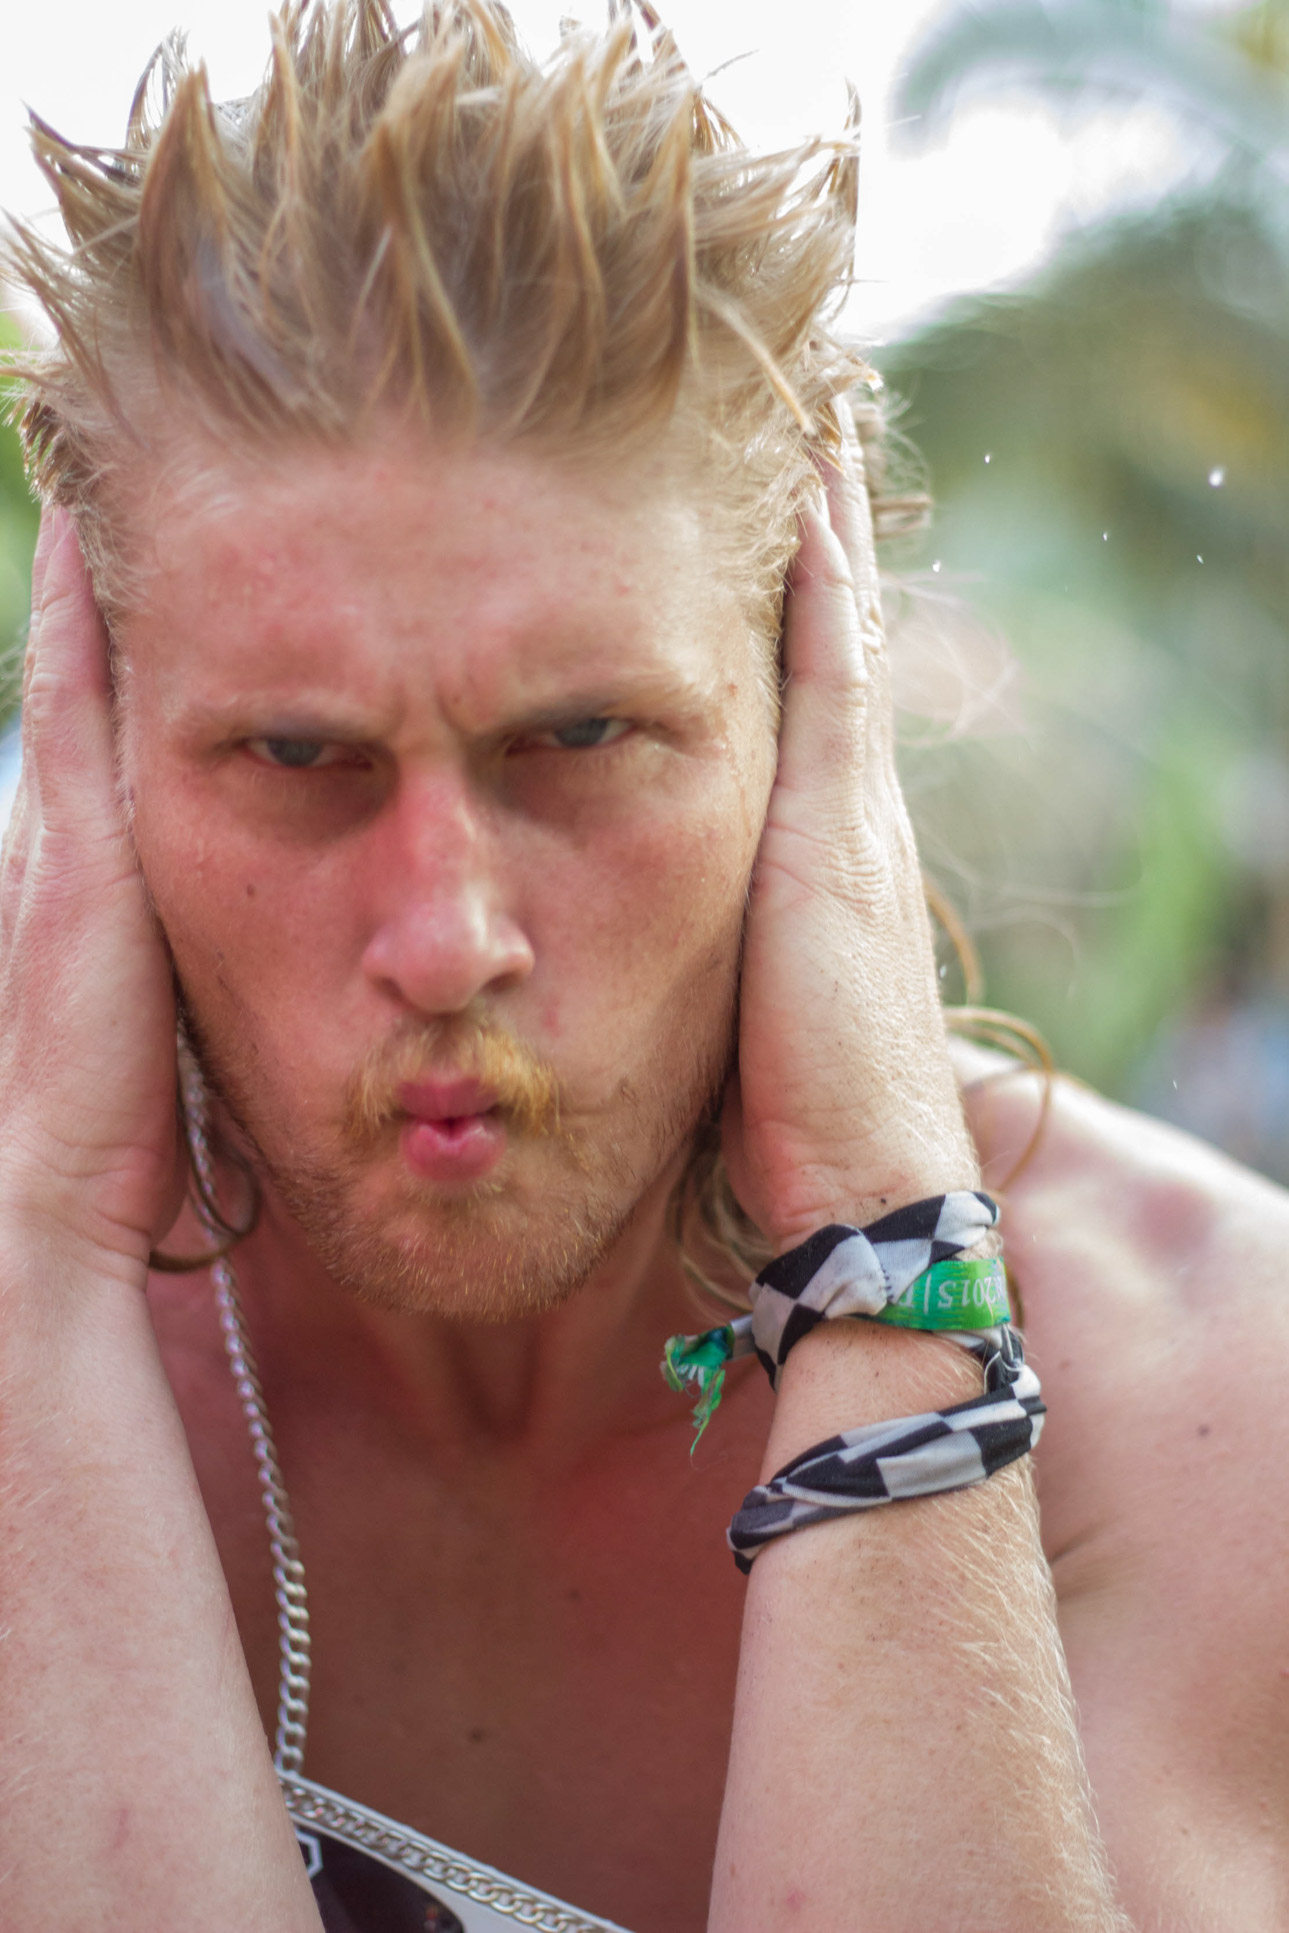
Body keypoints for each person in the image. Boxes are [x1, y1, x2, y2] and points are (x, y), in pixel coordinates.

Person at [1, 4, 1286, 1928]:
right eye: (295, 757)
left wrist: (880, 1239)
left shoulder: (1210, 1394)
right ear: (94, 734)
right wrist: (38, 1269)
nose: (445, 936)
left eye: (580, 741)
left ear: (803, 704)